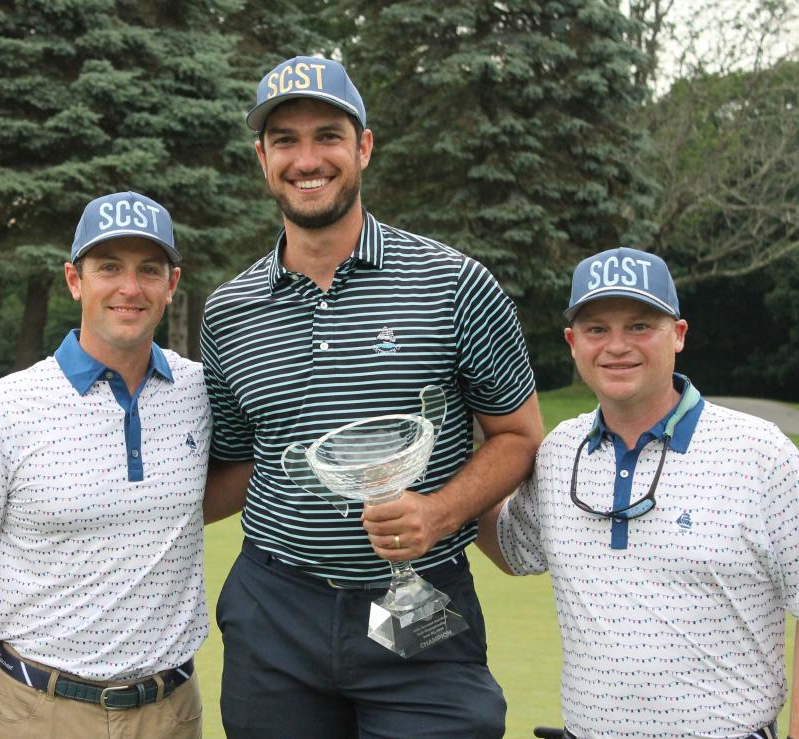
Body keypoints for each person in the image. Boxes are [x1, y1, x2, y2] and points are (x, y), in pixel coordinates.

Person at [199, 55, 544, 737]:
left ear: (363, 147)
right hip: (276, 609)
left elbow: (519, 435)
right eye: (285, 141)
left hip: (420, 602)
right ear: (262, 158)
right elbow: (237, 465)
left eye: (328, 135)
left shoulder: (454, 284)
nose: (307, 158)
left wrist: (442, 511)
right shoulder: (229, 312)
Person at [477, 246, 799, 739]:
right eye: (597, 329)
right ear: (572, 342)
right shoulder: (562, 451)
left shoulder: (759, 452)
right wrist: (442, 483)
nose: (616, 346)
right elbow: (514, 548)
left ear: (679, 335)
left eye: (640, 326)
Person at [0, 191, 212, 738]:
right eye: (109, 267)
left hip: (172, 711)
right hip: (40, 710)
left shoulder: (197, 391)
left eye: (148, 269)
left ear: (171, 286)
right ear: (75, 280)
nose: (130, 288)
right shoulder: (6, 407)